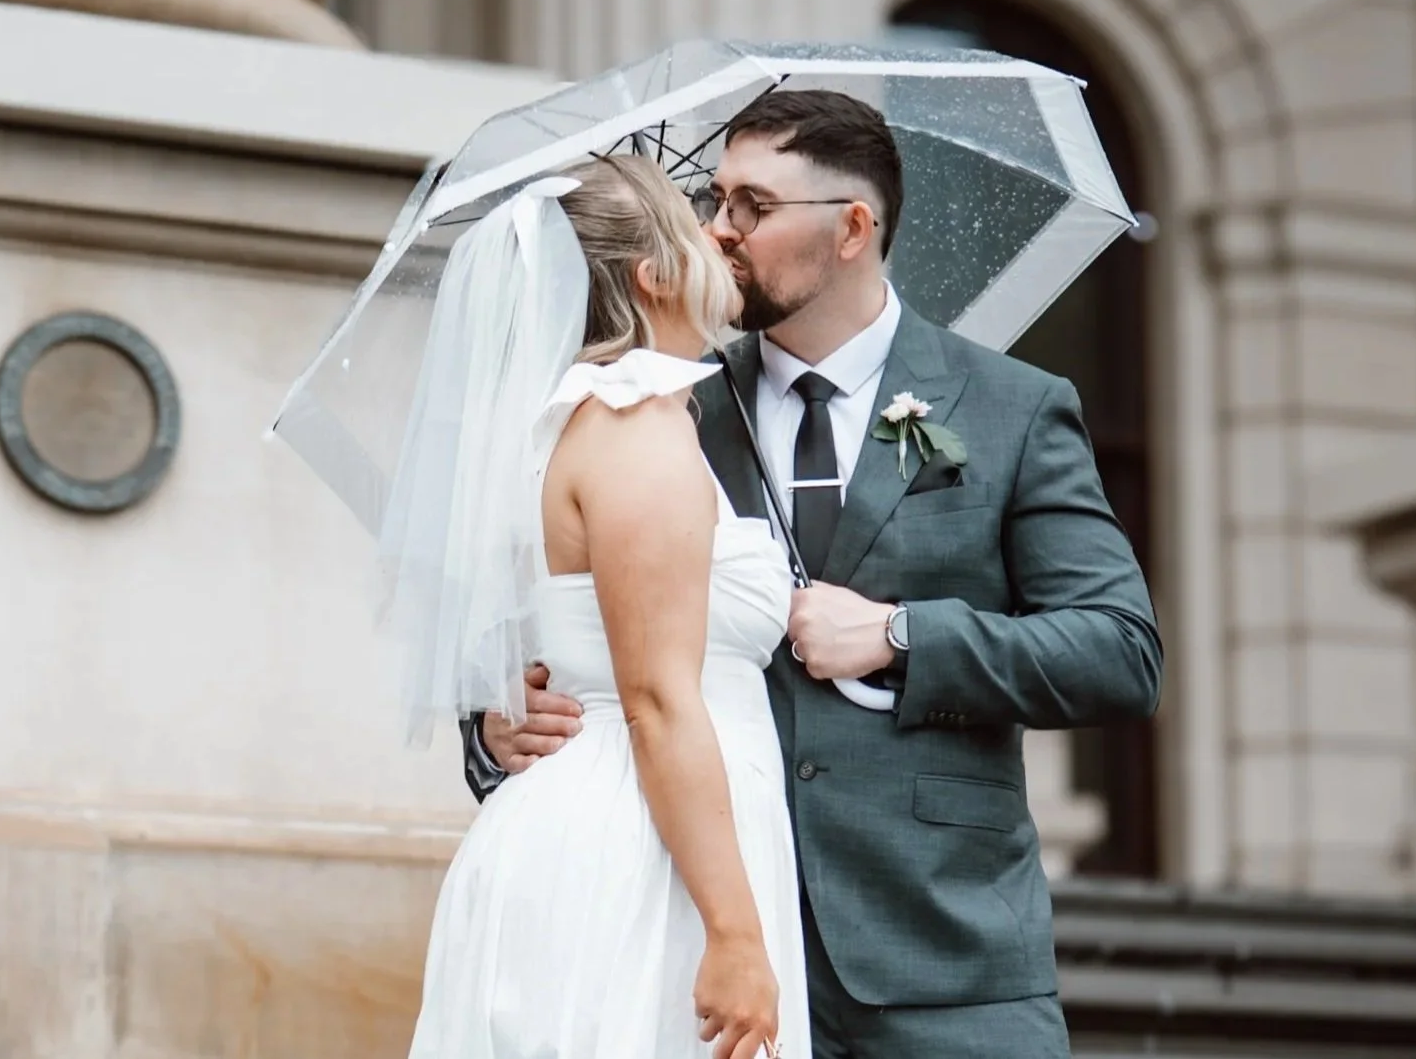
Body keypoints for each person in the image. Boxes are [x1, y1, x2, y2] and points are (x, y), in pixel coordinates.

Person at [470, 91, 1163, 1059]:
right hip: (684, 937)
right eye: (712, 199)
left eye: (752, 205)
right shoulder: (659, 403)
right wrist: (503, 724)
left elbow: (1117, 650)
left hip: (936, 953)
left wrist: (900, 634)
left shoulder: (1013, 404)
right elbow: (564, 632)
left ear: (850, 227)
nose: (718, 228)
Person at [393, 154, 806, 1059]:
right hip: (642, 852)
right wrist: (735, 934)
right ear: (653, 275)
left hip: (640, 823)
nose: (721, 235)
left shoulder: (575, 420)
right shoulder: (632, 423)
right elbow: (659, 699)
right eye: (698, 221)